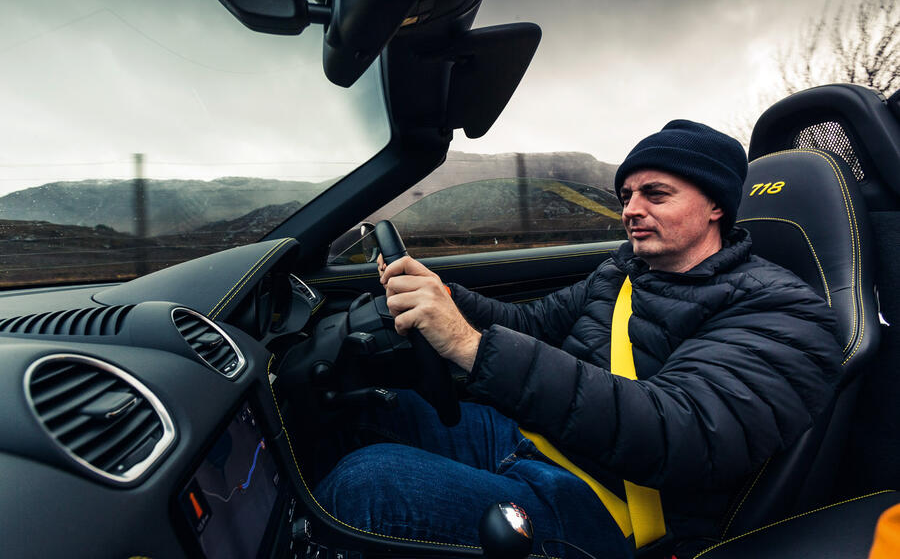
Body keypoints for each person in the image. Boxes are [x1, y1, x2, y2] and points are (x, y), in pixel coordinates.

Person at [313, 120, 843, 558]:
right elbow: (537, 323)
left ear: (716, 207)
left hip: (612, 509)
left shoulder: (782, 311)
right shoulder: (625, 270)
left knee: (368, 486)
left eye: (656, 193)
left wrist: (470, 348)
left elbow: (676, 429)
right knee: (367, 411)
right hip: (532, 440)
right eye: (627, 194)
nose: (632, 208)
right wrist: (443, 297)